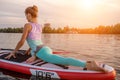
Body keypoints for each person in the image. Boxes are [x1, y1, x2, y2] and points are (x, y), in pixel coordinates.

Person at [5, 5, 108, 73]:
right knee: (62, 59)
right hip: (45, 48)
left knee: (64, 60)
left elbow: (22, 41)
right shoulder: (39, 25)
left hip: (41, 52)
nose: (25, 17)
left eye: (25, 14)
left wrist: (13, 52)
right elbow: (35, 40)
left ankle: (88, 65)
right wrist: (32, 53)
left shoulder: (27, 25)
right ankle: (89, 62)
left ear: (29, 14)